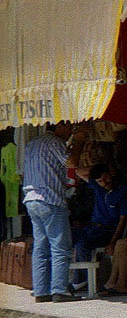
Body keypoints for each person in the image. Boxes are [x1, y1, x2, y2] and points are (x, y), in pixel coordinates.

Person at [21, 122, 79, 302]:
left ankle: (41, 291)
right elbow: (71, 162)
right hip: (50, 200)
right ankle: (60, 290)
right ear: (58, 126)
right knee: (60, 247)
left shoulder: (33, 143)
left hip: (32, 199)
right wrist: (80, 140)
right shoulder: (54, 142)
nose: (70, 132)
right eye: (68, 127)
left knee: (41, 247)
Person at [69, 163, 127, 291]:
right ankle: (59, 280)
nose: (104, 183)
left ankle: (80, 281)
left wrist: (113, 242)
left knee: (82, 245)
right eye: (100, 181)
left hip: (107, 232)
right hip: (91, 228)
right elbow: (78, 171)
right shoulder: (98, 187)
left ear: (111, 173)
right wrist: (98, 169)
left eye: (106, 178)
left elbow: (122, 221)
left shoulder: (123, 191)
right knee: (63, 238)